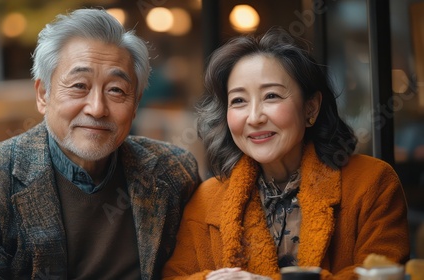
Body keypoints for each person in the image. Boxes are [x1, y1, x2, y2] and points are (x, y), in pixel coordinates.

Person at [0, 8, 200, 279]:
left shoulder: (174, 171)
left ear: (136, 104)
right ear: (43, 94)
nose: (96, 108)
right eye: (79, 85)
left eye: (116, 90)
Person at [162, 27, 410, 280]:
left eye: (271, 96)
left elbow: (382, 273)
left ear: (310, 108)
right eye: (238, 101)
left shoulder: (372, 182)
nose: (255, 117)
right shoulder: (206, 199)